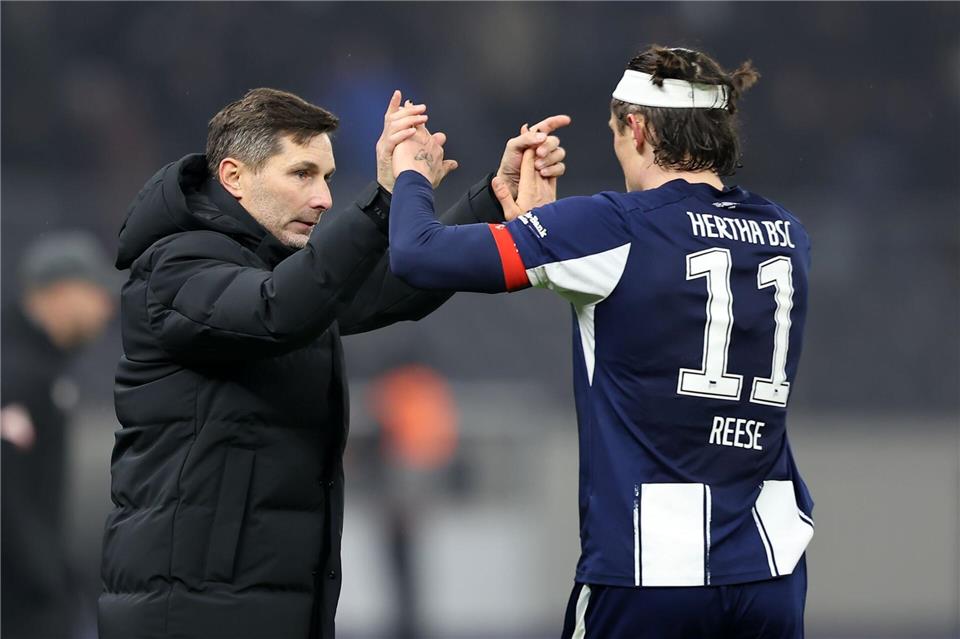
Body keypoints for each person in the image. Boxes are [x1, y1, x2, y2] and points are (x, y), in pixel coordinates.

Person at [97, 87, 569, 639]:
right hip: (193, 608)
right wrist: (383, 200)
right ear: (233, 177)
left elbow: (390, 289)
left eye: (326, 176)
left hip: (274, 600)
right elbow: (276, 308)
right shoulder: (176, 265)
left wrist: (493, 197)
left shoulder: (282, 268)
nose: (323, 197)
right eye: (302, 174)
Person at [389, 45, 814, 638]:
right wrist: (545, 241)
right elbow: (666, 308)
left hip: (649, 572)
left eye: (616, 132)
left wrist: (409, 170)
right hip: (770, 570)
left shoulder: (613, 225)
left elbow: (416, 254)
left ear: (637, 128)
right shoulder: (787, 234)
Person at [2, 230, 117, 639]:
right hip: (18, 606)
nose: (106, 308)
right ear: (62, 291)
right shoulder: (14, 372)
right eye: (96, 292)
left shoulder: (42, 368)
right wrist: (45, 580)